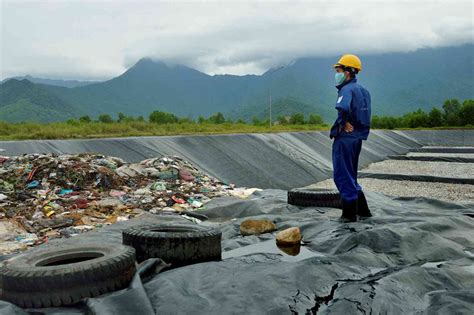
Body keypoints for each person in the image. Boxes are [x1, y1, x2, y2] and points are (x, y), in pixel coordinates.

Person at [329, 54, 372, 222]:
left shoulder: (346, 90)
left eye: (339, 70)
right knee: (351, 175)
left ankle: (348, 217)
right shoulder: (364, 91)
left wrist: (343, 122)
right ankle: (364, 212)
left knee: (342, 176)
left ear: (347, 72)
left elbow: (343, 108)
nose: (336, 74)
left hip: (345, 139)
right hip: (357, 138)